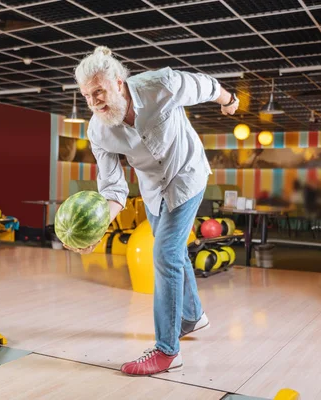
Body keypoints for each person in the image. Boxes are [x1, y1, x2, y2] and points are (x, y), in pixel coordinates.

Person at [64, 46, 239, 376]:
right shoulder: (98, 130)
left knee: (165, 252)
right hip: (154, 189)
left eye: (99, 91)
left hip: (186, 174)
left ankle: (168, 351)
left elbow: (207, 86)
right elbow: (113, 190)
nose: (94, 101)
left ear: (118, 82)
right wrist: (98, 228)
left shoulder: (163, 85)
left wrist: (228, 100)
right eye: (87, 96)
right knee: (172, 252)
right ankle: (192, 316)